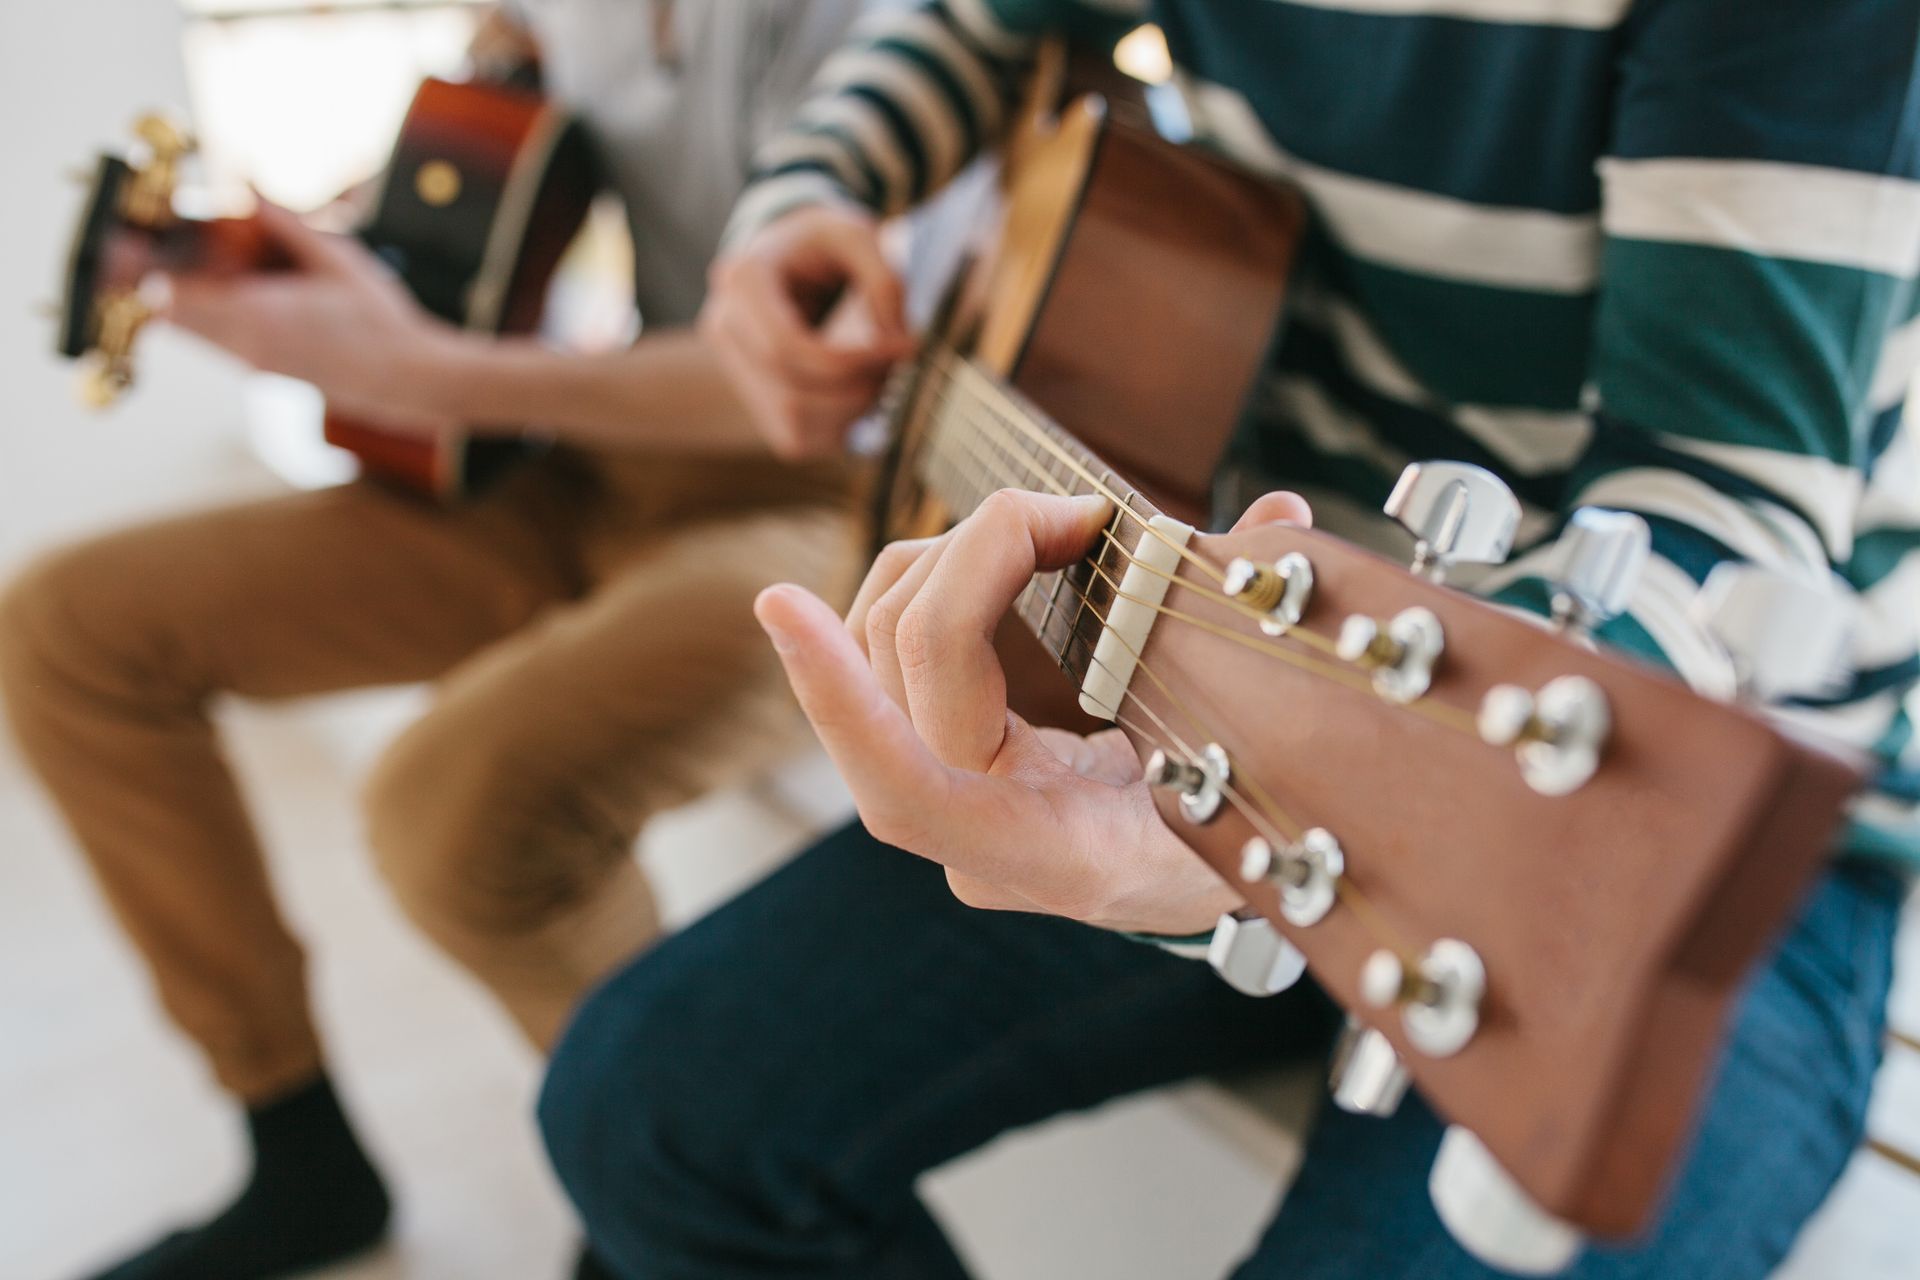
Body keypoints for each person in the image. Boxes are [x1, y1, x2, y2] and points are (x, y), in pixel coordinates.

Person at [536, 1, 1920, 1276]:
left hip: (1706, 796)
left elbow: (1716, 513)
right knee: (638, 1114)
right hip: (1222, 663)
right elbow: (966, 21)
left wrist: (1318, 776)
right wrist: (810, 194)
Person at [0, 3, 868, 1278]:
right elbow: (511, 119)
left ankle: (650, 1189)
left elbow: (822, 385)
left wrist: (435, 370)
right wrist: (347, 259)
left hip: (836, 503)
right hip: (596, 460)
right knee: (67, 630)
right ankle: (298, 1145)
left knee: (456, 802)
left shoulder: (890, 31)